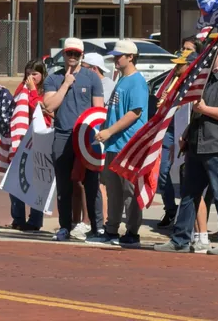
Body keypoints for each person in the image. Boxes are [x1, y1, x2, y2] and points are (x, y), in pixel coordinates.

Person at [155, 40, 218, 256]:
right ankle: (180, 239)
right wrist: (188, 132)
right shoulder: (206, 78)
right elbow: (199, 111)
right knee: (189, 193)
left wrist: (206, 109)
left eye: (208, 55)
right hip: (198, 143)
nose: (203, 59)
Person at [87, 39, 149, 248]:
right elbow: (116, 111)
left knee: (129, 190)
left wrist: (110, 130)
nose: (115, 59)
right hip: (114, 143)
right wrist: (105, 129)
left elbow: (135, 112)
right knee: (113, 189)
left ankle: (132, 232)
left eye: (119, 56)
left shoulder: (137, 81)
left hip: (129, 144)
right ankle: (111, 229)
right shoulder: (122, 79)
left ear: (130, 57)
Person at [44, 38, 104, 241]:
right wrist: (66, 85)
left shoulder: (92, 78)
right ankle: (64, 226)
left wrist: (96, 137)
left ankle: (98, 228)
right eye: (69, 53)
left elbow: (98, 110)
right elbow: (50, 106)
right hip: (62, 135)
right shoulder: (53, 78)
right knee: (64, 184)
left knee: (91, 183)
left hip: (87, 136)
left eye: (76, 54)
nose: (72, 57)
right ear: (63, 54)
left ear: (82, 55)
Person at [68, 53, 116, 241]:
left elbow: (102, 115)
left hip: (100, 142)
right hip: (86, 141)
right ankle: (87, 222)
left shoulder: (107, 87)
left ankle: (95, 223)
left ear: (94, 68)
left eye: (86, 66)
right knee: (82, 182)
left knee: (98, 185)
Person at [157, 50, 198, 228]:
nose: (176, 67)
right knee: (162, 173)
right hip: (170, 130)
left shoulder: (195, 82)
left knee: (185, 175)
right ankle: (171, 209)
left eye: (180, 64)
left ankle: (184, 218)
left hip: (185, 131)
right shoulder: (174, 82)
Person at [9, 59, 49, 231]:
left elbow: (40, 109)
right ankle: (18, 218)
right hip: (21, 140)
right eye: (28, 74)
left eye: (35, 74)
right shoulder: (21, 88)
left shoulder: (46, 90)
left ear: (42, 75)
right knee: (15, 179)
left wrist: (33, 90)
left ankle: (35, 219)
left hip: (38, 140)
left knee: (37, 181)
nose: (31, 77)